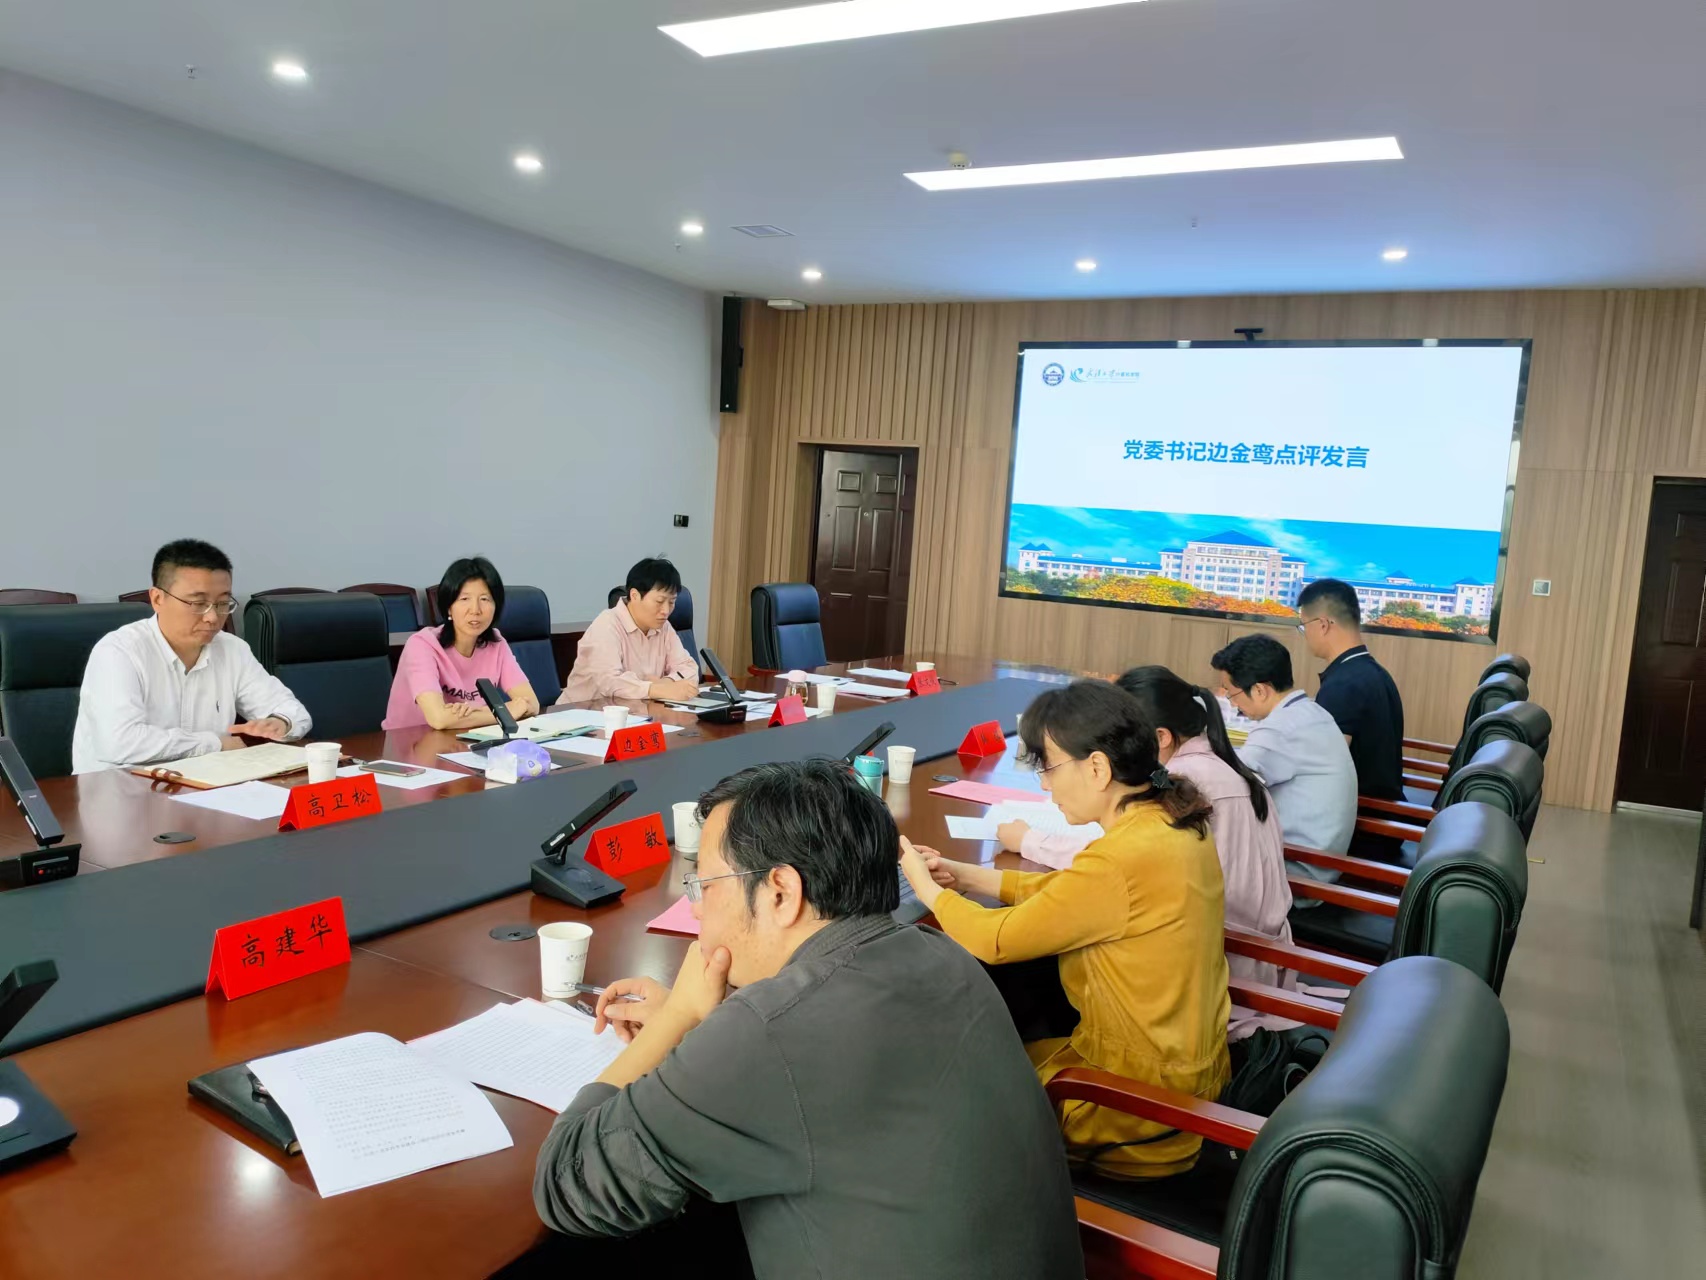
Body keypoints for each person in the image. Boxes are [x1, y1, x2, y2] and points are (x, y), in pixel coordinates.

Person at [529, 759, 1083, 1278]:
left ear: (781, 892)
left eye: (705, 886)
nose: (696, 908)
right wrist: (716, 1022)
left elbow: (566, 1184)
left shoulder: (767, 1035)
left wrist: (681, 1016)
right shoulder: (942, 953)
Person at [900, 680, 1231, 1179]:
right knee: (992, 1050)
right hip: (1180, 1082)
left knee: (946, 1092)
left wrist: (927, 891)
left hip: (1133, 1111)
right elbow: (1073, 896)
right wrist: (962, 875)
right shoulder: (1169, 821)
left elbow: (995, 941)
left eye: (1050, 768)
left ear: (1097, 768)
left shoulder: (1121, 857)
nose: (1045, 786)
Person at [998, 666, 1294, 1034]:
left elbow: (1122, 857)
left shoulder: (1188, 783)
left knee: (1050, 958)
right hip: (1251, 954)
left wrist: (1030, 841)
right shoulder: (1221, 766)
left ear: (1159, 738)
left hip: (1221, 971)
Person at [71, 539, 311, 775]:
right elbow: (119, 742)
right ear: (157, 599)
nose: (213, 618)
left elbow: (294, 713)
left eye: (222, 603)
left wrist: (280, 722)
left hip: (205, 785)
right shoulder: (119, 651)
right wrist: (214, 743)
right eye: (198, 603)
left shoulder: (232, 649)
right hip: (120, 789)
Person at [1211, 633, 1357, 896]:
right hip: (1319, 863)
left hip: (1297, 873)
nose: (1233, 705)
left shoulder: (1281, 728)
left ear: (1259, 690)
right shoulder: (1311, 712)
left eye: (1232, 694)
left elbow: (1224, 785)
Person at [1297, 578, 1406, 858]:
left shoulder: (1344, 685)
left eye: (1304, 626)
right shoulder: (1371, 672)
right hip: (1383, 817)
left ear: (1323, 624)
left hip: (1362, 829)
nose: (1305, 635)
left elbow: (1321, 773)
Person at [382, 557, 539, 731]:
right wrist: (506, 712)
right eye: (464, 599)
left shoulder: (496, 643)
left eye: (485, 599)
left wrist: (468, 715)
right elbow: (439, 719)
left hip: (465, 737)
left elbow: (532, 704)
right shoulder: (421, 645)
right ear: (449, 607)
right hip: (407, 741)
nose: (475, 610)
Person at [557, 558, 699, 705]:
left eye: (671, 602)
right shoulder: (607, 625)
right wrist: (654, 689)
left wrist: (666, 683)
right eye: (659, 601)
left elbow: (689, 668)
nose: (666, 610)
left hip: (634, 712)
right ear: (634, 595)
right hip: (579, 713)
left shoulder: (664, 627)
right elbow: (609, 682)